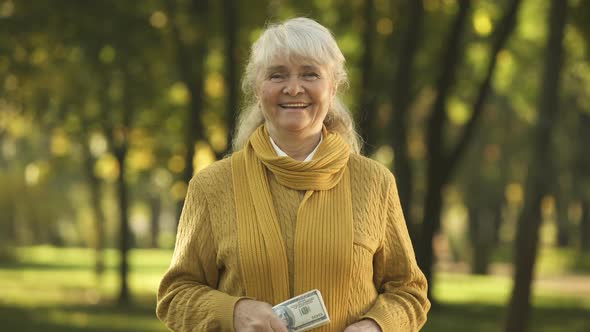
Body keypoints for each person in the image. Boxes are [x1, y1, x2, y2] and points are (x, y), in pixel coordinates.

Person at [157, 17, 430, 331]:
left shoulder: (375, 183)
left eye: (310, 74)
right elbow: (175, 295)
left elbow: (409, 291)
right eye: (277, 75)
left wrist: (376, 326)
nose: (293, 88)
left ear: (333, 85)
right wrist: (233, 312)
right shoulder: (211, 186)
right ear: (258, 88)